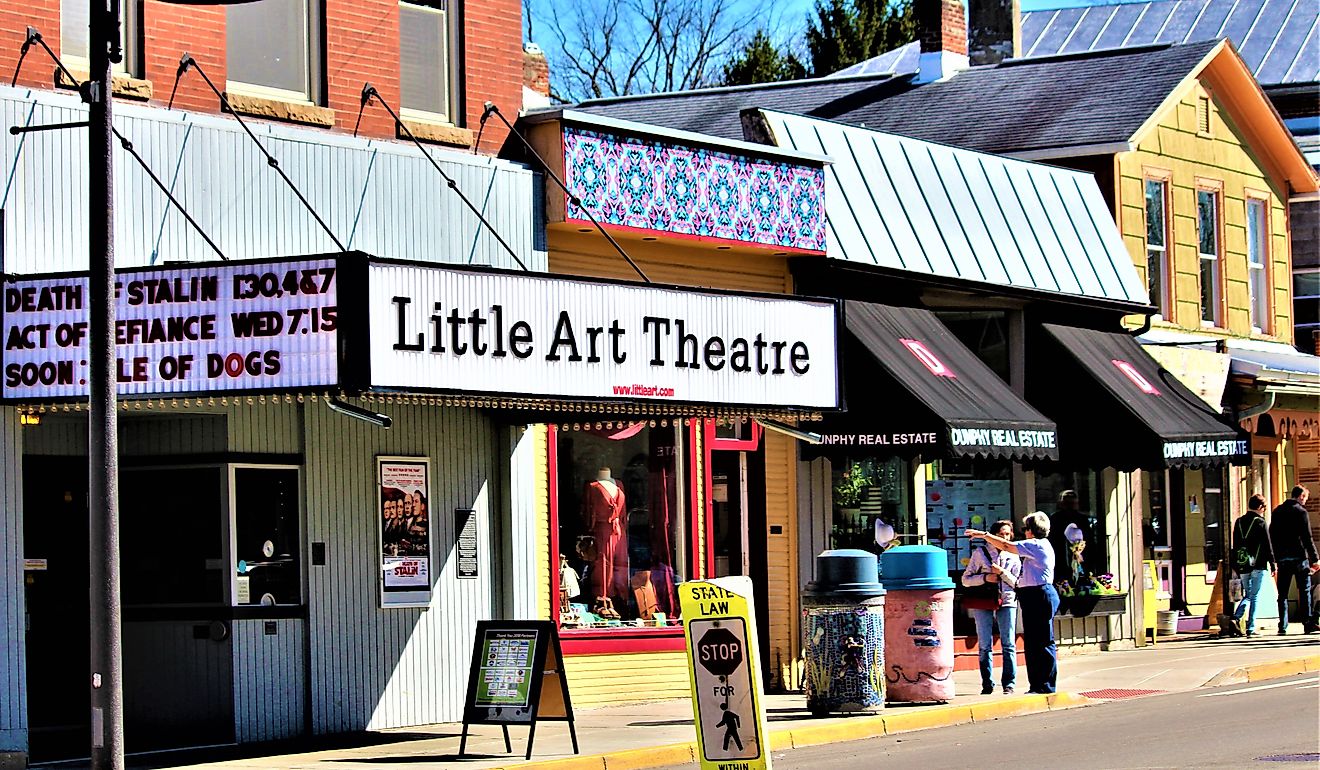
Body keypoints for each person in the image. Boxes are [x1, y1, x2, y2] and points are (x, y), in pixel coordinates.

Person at [966, 511, 1059, 694]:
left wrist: (984, 535)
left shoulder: (1036, 544)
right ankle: (1036, 685)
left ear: (1032, 530)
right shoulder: (1033, 545)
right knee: (1032, 642)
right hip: (1029, 594)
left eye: (1026, 528)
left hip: (1039, 594)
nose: (1024, 532)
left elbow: (1007, 546)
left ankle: (1046, 685)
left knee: (1043, 641)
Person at [961, 518, 1022, 694]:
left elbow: (1017, 582)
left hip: (1008, 600)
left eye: (1007, 534)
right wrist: (985, 578)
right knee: (984, 643)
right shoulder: (980, 553)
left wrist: (1002, 573)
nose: (1004, 537)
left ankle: (1009, 683)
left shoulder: (1014, 554)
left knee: (1008, 643)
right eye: (1000, 534)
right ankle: (987, 683)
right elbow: (966, 580)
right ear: (993, 536)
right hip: (984, 600)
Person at [1268, 485, 1319, 635]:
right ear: (1301, 496)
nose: (1305, 502)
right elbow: (1307, 537)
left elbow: (1273, 535)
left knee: (1282, 593)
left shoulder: (1277, 512)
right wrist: (1315, 558)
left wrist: (1275, 557)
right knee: (1304, 591)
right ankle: (1307, 623)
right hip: (1299, 557)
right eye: (1305, 498)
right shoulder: (1301, 512)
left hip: (1283, 558)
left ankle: (1282, 626)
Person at [1223, 494, 1275, 638]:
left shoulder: (1239, 522)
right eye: (1264, 507)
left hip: (1243, 563)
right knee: (1255, 595)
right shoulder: (1260, 522)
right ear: (1259, 507)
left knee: (1248, 594)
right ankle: (1250, 627)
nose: (1264, 510)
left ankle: (1236, 617)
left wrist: (1235, 563)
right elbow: (1267, 544)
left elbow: (1235, 544)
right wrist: (1272, 563)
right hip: (1258, 563)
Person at [1049, 490, 1092, 578]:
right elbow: (1053, 538)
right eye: (1067, 502)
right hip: (1060, 557)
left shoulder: (1082, 519)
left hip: (1081, 556)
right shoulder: (1055, 519)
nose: (1070, 505)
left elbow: (1089, 538)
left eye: (1072, 502)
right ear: (1061, 504)